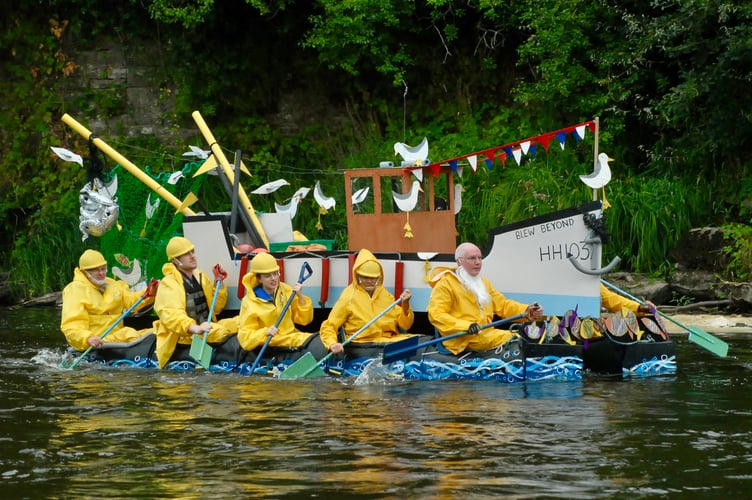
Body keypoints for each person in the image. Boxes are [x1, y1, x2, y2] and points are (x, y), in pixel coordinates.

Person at [427, 242, 544, 355]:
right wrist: (466, 326)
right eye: (472, 258)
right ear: (459, 261)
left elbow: (502, 305)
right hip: (462, 339)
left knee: (523, 335)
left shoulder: (483, 282)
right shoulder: (445, 284)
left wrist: (527, 310)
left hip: (485, 334)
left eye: (480, 258)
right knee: (514, 338)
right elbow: (436, 315)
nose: (478, 262)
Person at [153, 236, 237, 368]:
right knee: (220, 331)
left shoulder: (200, 276)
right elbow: (172, 316)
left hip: (207, 327)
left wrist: (218, 282)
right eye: (186, 254)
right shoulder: (169, 284)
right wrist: (195, 328)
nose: (192, 256)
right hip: (186, 335)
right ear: (175, 260)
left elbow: (216, 308)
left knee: (239, 322)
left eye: (192, 251)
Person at [319, 249, 418, 354]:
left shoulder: (385, 295)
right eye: (366, 277)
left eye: (373, 278)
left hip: (390, 341)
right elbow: (329, 325)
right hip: (363, 343)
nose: (370, 281)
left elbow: (405, 325)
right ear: (357, 276)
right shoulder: (348, 297)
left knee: (423, 341)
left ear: (379, 278)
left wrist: (405, 305)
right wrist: (332, 343)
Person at [61, 249, 158, 351]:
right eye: (96, 270)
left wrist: (150, 292)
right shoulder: (74, 290)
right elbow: (71, 325)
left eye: (103, 269)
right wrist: (87, 338)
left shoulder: (112, 283)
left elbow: (131, 301)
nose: (101, 273)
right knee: (129, 334)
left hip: (118, 337)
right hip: (97, 342)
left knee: (159, 329)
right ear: (84, 272)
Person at [236, 252, 324, 356]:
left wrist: (300, 296)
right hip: (271, 341)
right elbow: (245, 338)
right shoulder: (249, 302)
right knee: (304, 340)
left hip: (291, 336)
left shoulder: (285, 289)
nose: (273, 278)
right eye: (267, 276)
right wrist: (265, 332)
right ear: (259, 279)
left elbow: (305, 320)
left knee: (319, 338)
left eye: (275, 273)